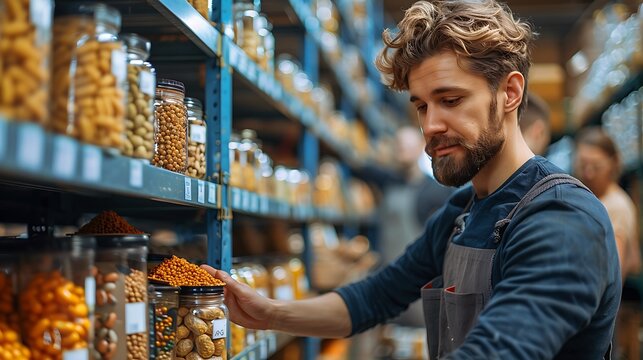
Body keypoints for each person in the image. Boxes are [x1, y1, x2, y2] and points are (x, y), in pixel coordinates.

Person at [203, 1, 620, 358]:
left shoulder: (562, 218)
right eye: (421, 107)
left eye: (451, 100)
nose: (431, 125)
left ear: (509, 93)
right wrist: (271, 313)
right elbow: (376, 297)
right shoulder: (462, 211)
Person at [354, 125, 454, 328]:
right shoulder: (389, 183)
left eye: (408, 144)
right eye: (398, 144)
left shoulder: (435, 191)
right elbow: (361, 167)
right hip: (388, 281)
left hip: (419, 285)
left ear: (421, 148)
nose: (402, 149)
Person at [574, 127, 641, 360]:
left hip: (596, 313)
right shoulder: (593, 199)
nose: (589, 172)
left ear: (613, 164)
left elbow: (615, 272)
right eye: (583, 164)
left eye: (596, 165)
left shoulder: (616, 206)